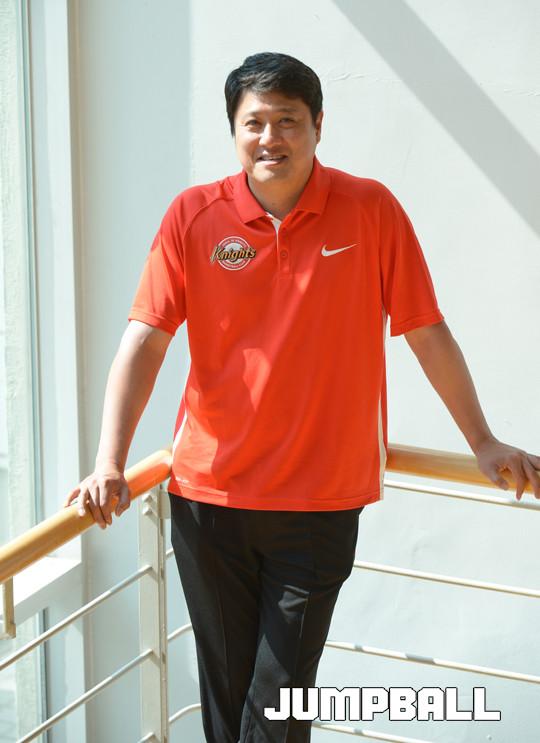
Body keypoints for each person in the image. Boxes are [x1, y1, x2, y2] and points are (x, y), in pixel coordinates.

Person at [65, 52, 540, 743]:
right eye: (254, 122)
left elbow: (426, 331)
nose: (270, 138)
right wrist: (109, 460)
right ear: (234, 130)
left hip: (320, 502)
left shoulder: (371, 209)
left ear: (318, 125)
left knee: (279, 699)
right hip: (208, 499)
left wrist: (483, 441)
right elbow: (145, 341)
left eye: (287, 121)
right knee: (228, 696)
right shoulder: (193, 215)